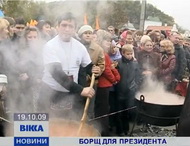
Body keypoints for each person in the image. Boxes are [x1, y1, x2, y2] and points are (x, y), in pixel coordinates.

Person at [38, 12, 95, 120]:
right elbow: (57, 74)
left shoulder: (80, 47)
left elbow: (88, 67)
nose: (67, 29)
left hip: (71, 94)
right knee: (49, 127)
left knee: (69, 126)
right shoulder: (50, 46)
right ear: (57, 27)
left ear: (75, 29)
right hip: (50, 93)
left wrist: (94, 70)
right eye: (64, 25)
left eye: (71, 26)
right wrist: (81, 90)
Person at [95, 29, 120, 136]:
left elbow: (110, 67)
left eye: (110, 41)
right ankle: (103, 132)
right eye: (107, 41)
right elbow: (106, 69)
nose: (109, 44)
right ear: (101, 41)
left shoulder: (104, 53)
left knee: (104, 108)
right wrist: (114, 79)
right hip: (103, 85)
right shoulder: (102, 53)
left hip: (105, 84)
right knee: (103, 110)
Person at [77, 24, 105, 119]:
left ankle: (88, 126)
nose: (88, 35)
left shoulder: (98, 49)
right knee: (77, 105)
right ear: (80, 35)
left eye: (90, 33)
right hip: (77, 82)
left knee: (89, 107)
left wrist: (99, 70)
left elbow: (101, 64)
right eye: (85, 33)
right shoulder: (75, 46)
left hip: (91, 82)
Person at [116, 44, 142, 136]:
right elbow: (115, 76)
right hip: (120, 90)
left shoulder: (135, 63)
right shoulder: (118, 63)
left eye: (131, 53)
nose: (130, 56)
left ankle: (126, 129)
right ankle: (119, 130)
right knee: (119, 111)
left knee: (127, 111)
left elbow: (138, 75)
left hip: (131, 90)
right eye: (127, 54)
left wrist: (136, 85)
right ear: (122, 53)